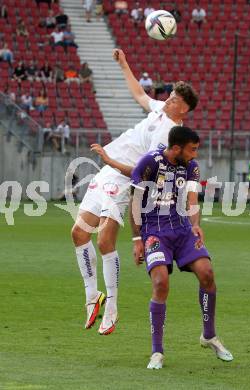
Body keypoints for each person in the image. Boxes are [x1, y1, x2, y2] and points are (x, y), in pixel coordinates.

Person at [70, 48, 198, 336]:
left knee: (104, 240)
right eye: (170, 96)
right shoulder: (160, 110)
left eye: (175, 99)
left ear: (183, 110)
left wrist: (110, 159)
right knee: (78, 233)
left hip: (122, 178)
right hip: (107, 172)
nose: (169, 100)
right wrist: (125, 63)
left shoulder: (170, 135)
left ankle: (112, 309)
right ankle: (93, 298)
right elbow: (140, 94)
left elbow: (144, 171)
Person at [129, 126, 233, 369]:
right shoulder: (150, 163)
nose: (195, 154)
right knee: (160, 283)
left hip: (183, 230)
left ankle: (209, 335)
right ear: (176, 148)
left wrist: (196, 225)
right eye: (192, 149)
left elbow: (192, 200)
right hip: (154, 232)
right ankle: (157, 351)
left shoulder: (191, 167)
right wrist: (137, 240)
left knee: (207, 274)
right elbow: (134, 203)